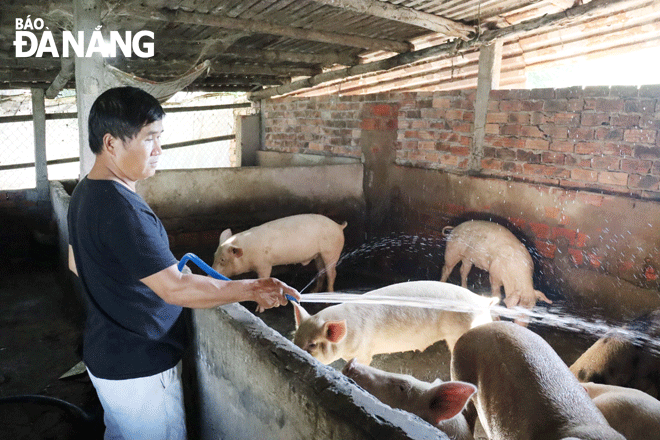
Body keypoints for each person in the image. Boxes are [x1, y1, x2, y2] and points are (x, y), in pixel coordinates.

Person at [67, 86, 300, 440]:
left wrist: (143, 278)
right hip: (140, 369)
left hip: (107, 355)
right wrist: (251, 288)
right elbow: (176, 289)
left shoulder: (85, 192)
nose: (159, 150)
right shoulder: (123, 210)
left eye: (160, 138)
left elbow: (76, 262)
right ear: (111, 143)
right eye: (150, 139)